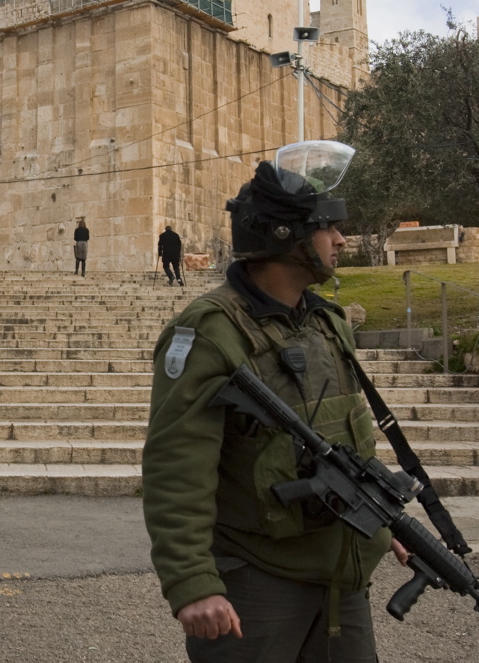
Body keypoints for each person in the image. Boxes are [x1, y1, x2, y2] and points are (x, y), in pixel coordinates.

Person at [142, 140, 408, 662]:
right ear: (286, 237)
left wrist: (379, 517)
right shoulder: (211, 331)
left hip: (340, 578)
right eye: (327, 228)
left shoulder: (327, 323)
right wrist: (194, 582)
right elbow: (177, 464)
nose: (340, 239)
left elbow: (350, 440)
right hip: (257, 584)